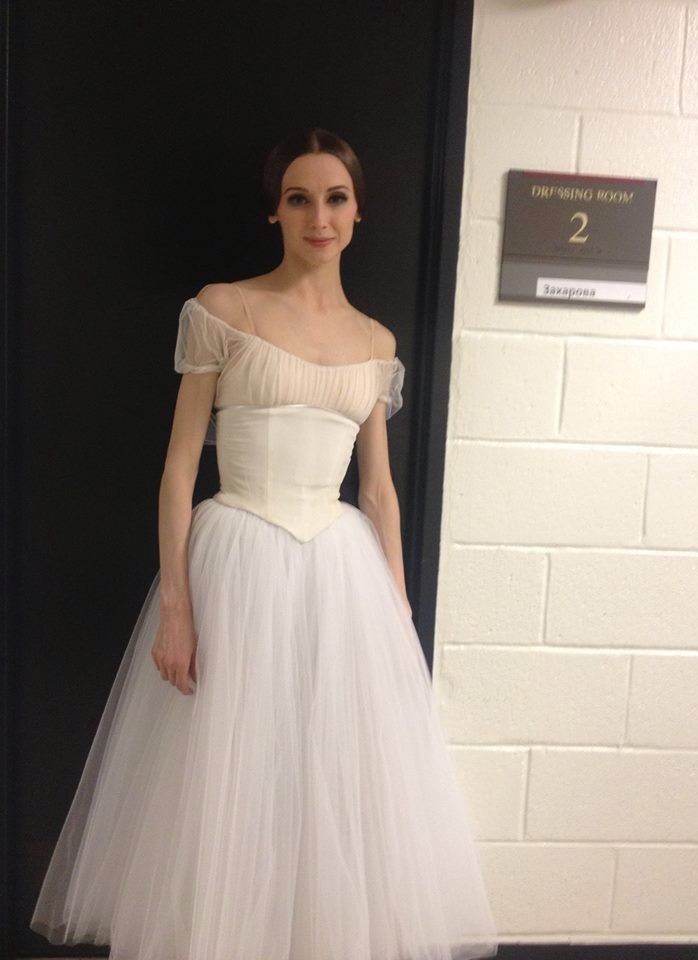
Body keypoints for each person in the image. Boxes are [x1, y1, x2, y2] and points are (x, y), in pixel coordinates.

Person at [29, 127, 498, 960]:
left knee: (330, 785)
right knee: (228, 778)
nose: (319, 216)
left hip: (340, 571)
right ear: (274, 211)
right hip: (238, 554)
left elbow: (379, 492)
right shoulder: (223, 308)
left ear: (359, 213)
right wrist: (176, 605)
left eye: (336, 198)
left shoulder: (377, 343)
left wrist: (397, 619)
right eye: (299, 197)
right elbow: (180, 468)